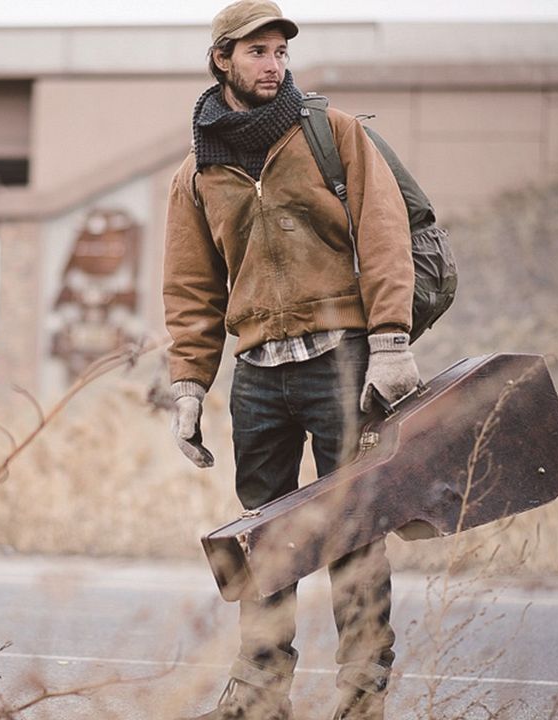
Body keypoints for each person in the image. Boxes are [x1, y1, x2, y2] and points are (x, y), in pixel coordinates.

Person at [162, 2, 419, 719]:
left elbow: (384, 231)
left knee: (353, 531)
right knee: (261, 540)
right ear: (223, 60)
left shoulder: (331, 134)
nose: (272, 64)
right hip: (256, 376)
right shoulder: (197, 171)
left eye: (279, 51)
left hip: (340, 359)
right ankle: (260, 696)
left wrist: (391, 341)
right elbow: (189, 287)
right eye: (257, 53)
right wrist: (188, 387)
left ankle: (360, 694)